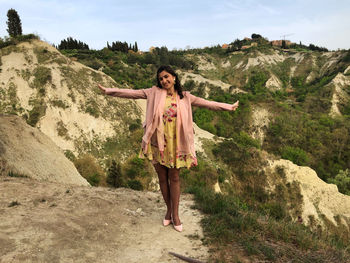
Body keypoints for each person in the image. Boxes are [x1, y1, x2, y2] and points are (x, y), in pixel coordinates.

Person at [98, 65, 239, 232]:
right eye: (160, 79)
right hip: (157, 142)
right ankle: (168, 211)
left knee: (175, 178)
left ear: (174, 77)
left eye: (166, 77)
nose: (164, 80)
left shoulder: (186, 97)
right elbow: (131, 93)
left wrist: (228, 107)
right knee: (162, 178)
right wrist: (108, 91)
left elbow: (207, 104)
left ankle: (176, 215)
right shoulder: (153, 93)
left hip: (176, 144)